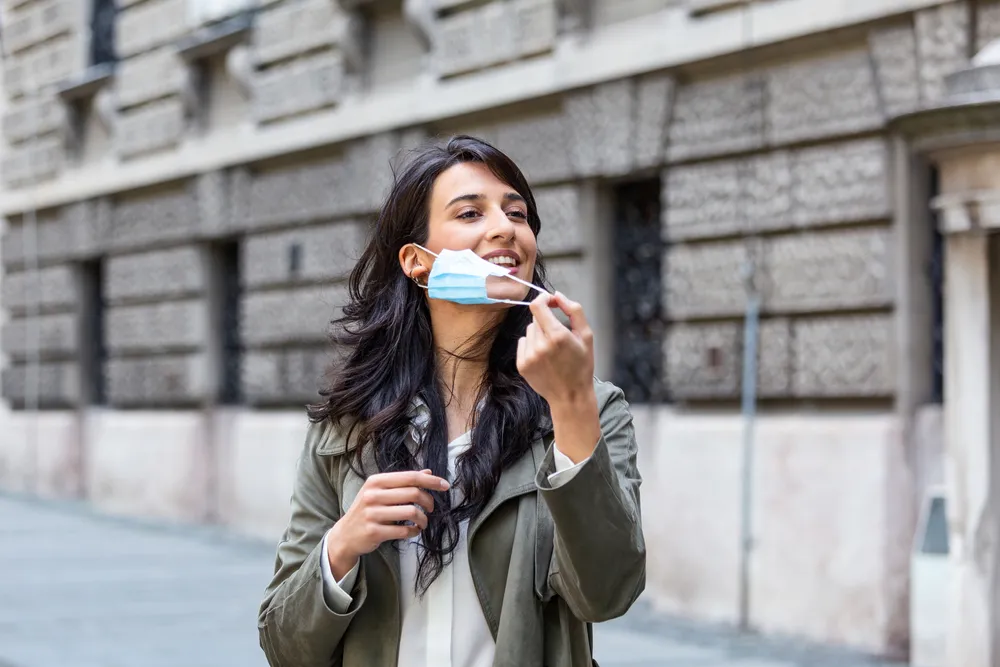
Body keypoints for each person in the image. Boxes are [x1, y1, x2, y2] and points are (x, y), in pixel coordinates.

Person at [257, 135, 645, 667]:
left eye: (518, 213)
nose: (506, 227)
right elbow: (283, 646)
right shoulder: (348, 425)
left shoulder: (589, 409)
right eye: (470, 213)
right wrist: (342, 544)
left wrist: (572, 402)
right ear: (418, 262)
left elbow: (607, 593)